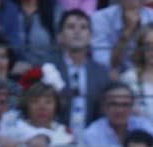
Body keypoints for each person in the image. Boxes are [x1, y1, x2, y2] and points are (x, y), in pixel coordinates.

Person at [47, 9, 110, 139]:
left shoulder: (102, 73)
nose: (77, 31)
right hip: (55, 139)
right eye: (71, 27)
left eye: (83, 27)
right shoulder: (49, 68)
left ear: (91, 36)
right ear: (60, 37)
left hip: (93, 142)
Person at [90, 0, 153, 79]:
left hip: (149, 78)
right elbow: (103, 65)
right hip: (114, 83)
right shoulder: (100, 19)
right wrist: (126, 32)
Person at [80, 82, 153, 146]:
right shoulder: (92, 134)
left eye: (125, 104)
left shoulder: (141, 124)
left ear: (132, 107)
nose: (120, 110)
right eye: (113, 104)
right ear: (103, 107)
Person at [18, 77, 75, 144]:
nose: (42, 107)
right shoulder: (16, 130)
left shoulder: (64, 133)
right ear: (26, 105)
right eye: (35, 101)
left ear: (56, 106)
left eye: (48, 102)